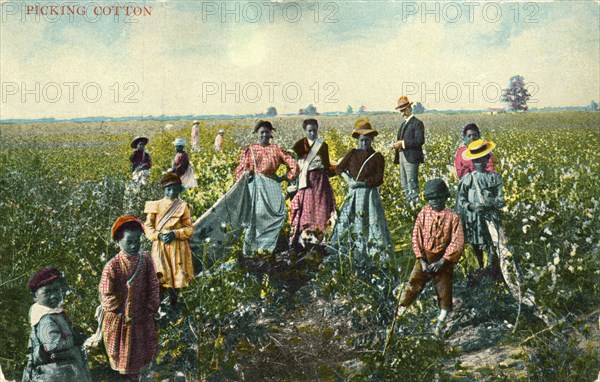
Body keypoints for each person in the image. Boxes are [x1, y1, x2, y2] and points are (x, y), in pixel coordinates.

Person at [397, 179, 464, 335]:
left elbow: (457, 242)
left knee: (444, 291)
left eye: (438, 198)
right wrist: (421, 259)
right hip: (425, 258)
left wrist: (442, 261)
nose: (435, 201)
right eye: (431, 198)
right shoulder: (424, 213)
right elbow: (416, 236)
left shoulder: (453, 217)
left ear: (445, 197)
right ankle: (399, 317)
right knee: (413, 285)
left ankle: (440, 324)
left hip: (444, 260)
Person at [100, 216, 160, 381]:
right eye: (129, 242)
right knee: (124, 361)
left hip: (142, 318)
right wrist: (123, 311)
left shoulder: (146, 260)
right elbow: (106, 296)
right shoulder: (113, 266)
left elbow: (154, 286)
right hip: (121, 322)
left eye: (137, 241)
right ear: (119, 241)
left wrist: (150, 308)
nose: (134, 246)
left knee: (143, 358)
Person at [329, 117, 394, 260]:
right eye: (362, 140)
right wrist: (349, 181)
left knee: (371, 223)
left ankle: (370, 253)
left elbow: (379, 179)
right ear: (358, 140)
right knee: (348, 222)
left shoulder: (377, 157)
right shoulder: (352, 153)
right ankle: (349, 252)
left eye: (367, 140)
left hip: (369, 195)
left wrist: (361, 184)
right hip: (353, 194)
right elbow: (339, 168)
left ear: (372, 140)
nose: (364, 143)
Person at [234, 120, 299, 254]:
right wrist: (247, 177)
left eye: (267, 132)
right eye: (261, 132)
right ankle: (252, 251)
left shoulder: (276, 149)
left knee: (276, 217)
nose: (264, 135)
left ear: (271, 134)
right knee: (255, 217)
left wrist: (283, 178)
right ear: (257, 134)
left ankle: (265, 250)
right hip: (255, 187)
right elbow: (239, 170)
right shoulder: (250, 150)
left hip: (271, 187)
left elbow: (294, 166)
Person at [22, 267, 91, 382]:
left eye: (56, 290)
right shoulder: (45, 318)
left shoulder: (54, 313)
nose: (53, 296)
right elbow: (52, 345)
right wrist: (74, 340)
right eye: (47, 292)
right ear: (34, 297)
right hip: (54, 372)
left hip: (63, 370)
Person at [144, 173, 194, 306]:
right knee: (160, 275)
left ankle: (173, 305)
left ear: (179, 189)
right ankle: (156, 307)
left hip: (177, 247)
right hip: (160, 247)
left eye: (175, 189)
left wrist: (175, 234)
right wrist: (158, 235)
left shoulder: (183, 206)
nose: (171, 192)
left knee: (176, 277)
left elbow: (189, 229)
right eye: (168, 189)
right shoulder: (155, 205)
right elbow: (147, 227)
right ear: (164, 190)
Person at [456, 139, 504, 274]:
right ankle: (479, 271)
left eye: (482, 159)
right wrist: (471, 206)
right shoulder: (467, 179)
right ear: (472, 161)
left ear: (487, 158)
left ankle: (491, 270)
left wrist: (489, 205)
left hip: (490, 218)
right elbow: (461, 199)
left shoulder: (495, 178)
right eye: (476, 160)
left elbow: (501, 200)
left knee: (492, 245)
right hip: (473, 219)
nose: (479, 163)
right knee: (474, 244)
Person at [289, 119, 336, 249]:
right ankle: (306, 240)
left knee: (322, 208)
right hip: (307, 181)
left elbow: (326, 165)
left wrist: (337, 169)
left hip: (321, 181)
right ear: (305, 131)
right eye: (309, 131)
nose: (312, 133)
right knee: (307, 209)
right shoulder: (299, 145)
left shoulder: (322, 145)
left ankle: (321, 240)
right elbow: (292, 163)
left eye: (314, 130)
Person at [392, 96, 425, 204]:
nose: (402, 113)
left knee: (412, 183)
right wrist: (397, 145)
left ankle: (415, 207)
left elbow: (419, 140)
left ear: (409, 108)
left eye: (404, 110)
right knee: (404, 184)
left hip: (411, 158)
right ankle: (408, 206)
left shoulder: (417, 123)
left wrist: (402, 143)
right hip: (402, 156)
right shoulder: (403, 124)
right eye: (401, 111)